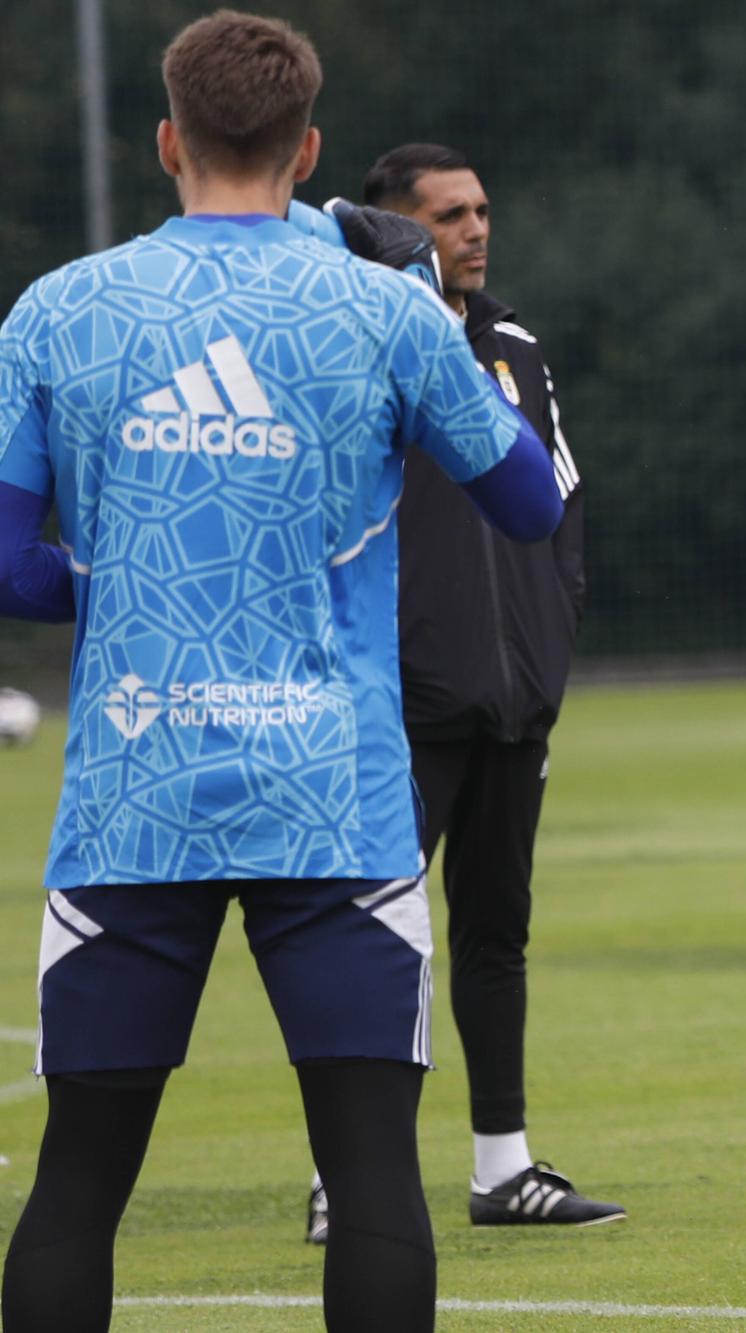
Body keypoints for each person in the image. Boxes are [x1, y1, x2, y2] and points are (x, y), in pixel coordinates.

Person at [0, 12, 561, 1330]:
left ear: (166, 142)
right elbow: (529, 502)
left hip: (135, 792)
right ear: (307, 150)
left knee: (78, 1178)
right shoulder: (386, 310)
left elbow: (4, 560)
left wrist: (102, 580)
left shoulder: (57, 310)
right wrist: (427, 315)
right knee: (373, 1170)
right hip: (336, 792)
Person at [297, 143, 610, 1243]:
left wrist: (551, 638)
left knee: (496, 933)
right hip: (402, 700)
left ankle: (503, 1168)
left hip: (514, 698)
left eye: (481, 209)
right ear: (392, 228)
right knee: (378, 937)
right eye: (446, 216)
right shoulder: (360, 340)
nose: (475, 229)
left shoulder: (517, 346)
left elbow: (560, 502)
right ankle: (347, 1174)